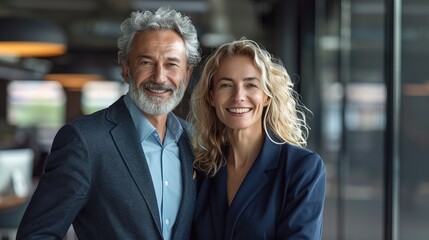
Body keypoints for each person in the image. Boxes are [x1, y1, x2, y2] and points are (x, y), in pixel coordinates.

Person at [17, 7, 201, 240]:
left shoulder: (194, 141)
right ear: (125, 69)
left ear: (186, 74)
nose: (159, 77)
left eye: (172, 64)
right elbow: (36, 235)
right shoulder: (84, 141)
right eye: (146, 62)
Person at [189, 39, 326, 239]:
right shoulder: (202, 169)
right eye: (226, 85)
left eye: (251, 85)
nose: (238, 96)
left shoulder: (302, 168)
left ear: (267, 96)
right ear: (211, 97)